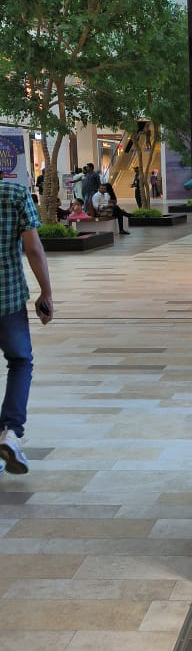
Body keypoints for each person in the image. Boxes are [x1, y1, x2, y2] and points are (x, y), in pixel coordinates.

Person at [0, 180, 53, 474]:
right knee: (20, 362)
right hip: (8, 299)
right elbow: (32, 248)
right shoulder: (15, 194)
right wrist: (46, 293)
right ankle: (10, 432)